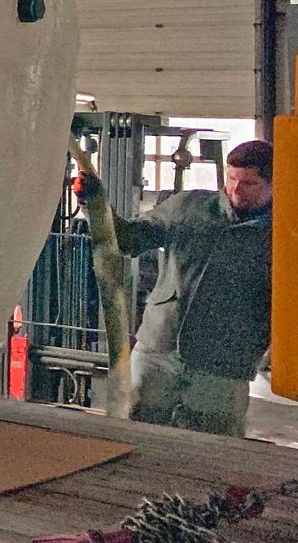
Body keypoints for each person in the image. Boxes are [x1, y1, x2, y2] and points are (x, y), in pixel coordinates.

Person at [75, 140, 272, 437]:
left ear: (275, 183)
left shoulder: (283, 233)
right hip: (157, 350)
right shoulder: (187, 207)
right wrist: (95, 203)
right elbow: (128, 240)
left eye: (249, 183)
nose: (235, 190)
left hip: (223, 367)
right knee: (134, 438)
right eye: (231, 179)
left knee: (213, 453)